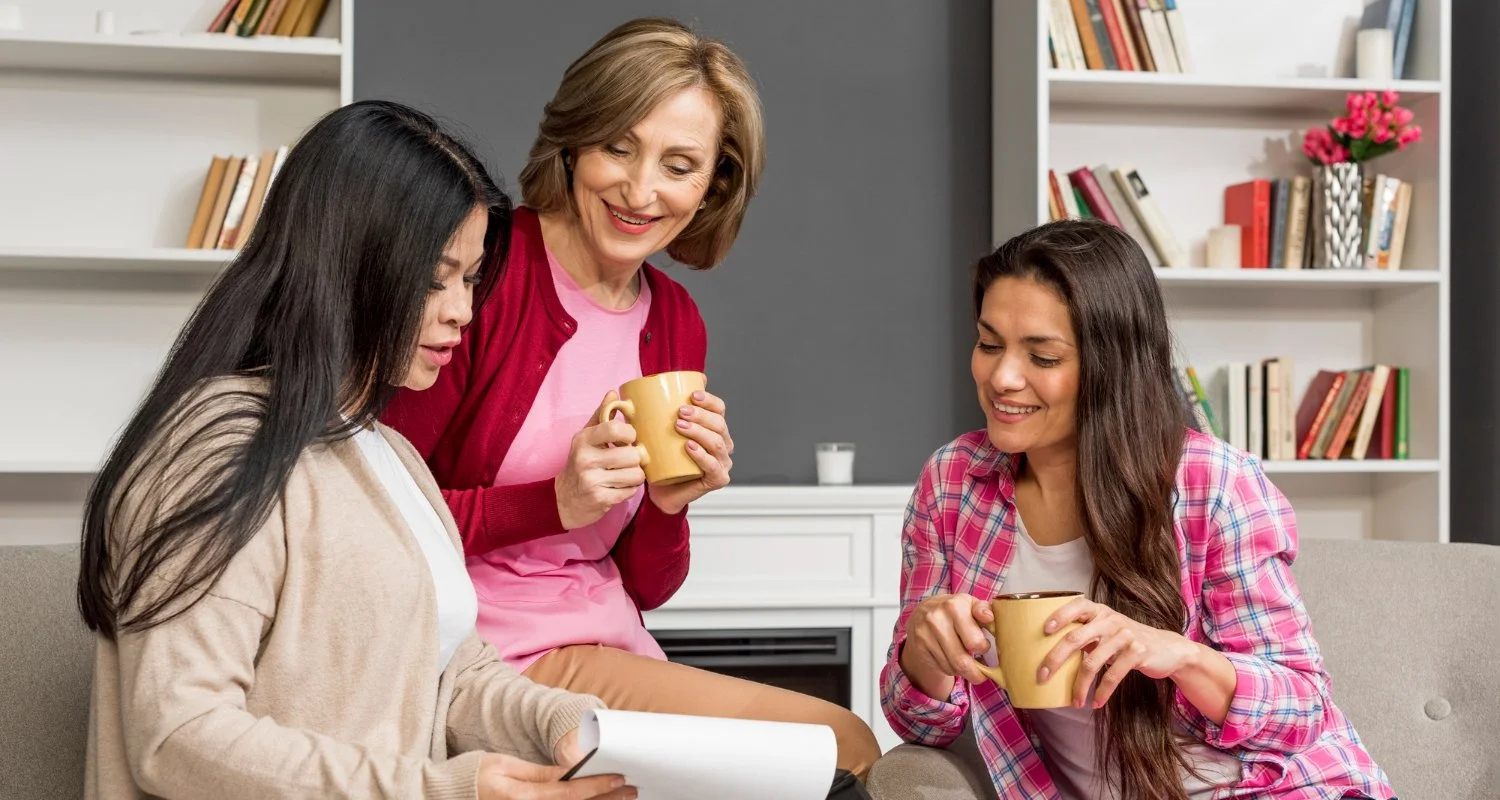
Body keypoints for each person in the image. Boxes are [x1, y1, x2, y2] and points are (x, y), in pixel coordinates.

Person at [77, 99, 635, 800]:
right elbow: (179, 736)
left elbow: (449, 671)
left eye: (470, 278)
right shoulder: (218, 448)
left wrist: (571, 726)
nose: (463, 309)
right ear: (349, 266)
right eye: (435, 279)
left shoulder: (391, 456)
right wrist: (444, 791)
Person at [382, 17, 881, 779]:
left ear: (712, 185)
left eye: (679, 165)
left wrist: (672, 502)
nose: (641, 190)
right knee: (839, 744)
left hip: (608, 642)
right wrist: (555, 502)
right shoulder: (487, 267)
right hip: (484, 655)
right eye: (619, 147)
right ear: (574, 143)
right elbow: (379, 518)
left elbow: (648, 582)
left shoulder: (674, 319)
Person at [879, 219, 1394, 799]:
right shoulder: (953, 483)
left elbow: (1301, 711)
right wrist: (925, 653)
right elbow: (917, 722)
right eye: (990, 344)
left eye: (1043, 357)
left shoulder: (1213, 483)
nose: (1002, 377)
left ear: (1111, 364)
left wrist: (1178, 656)